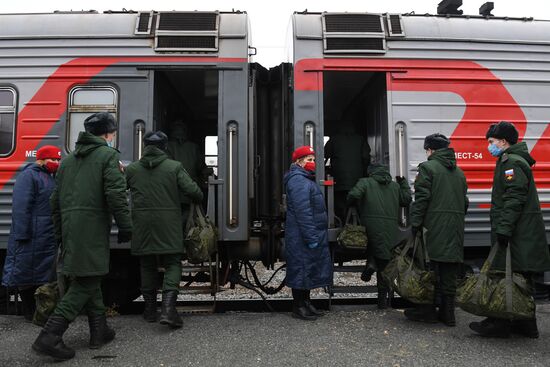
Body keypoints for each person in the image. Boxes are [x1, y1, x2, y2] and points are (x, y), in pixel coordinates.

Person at [32, 113, 132, 361]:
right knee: (86, 282)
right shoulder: (108, 156)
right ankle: (50, 336)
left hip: (71, 229)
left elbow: (54, 201)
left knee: (91, 275)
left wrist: (60, 234)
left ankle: (100, 331)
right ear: (107, 134)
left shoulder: (66, 161)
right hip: (92, 228)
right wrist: (125, 226)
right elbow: (116, 195)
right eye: (113, 133)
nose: (113, 137)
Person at [469, 121, 550, 338]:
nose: (489, 146)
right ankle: (525, 324)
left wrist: (504, 229)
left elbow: (514, 199)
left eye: (492, 141)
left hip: (517, 233)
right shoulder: (511, 160)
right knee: (519, 278)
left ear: (503, 142)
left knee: (505, 275)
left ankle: (499, 323)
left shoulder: (511, 162)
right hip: (521, 231)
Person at [126, 131, 203, 328]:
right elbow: (194, 192)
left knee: (147, 265)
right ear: (164, 147)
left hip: (141, 224)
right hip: (169, 223)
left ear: (145, 146)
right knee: (172, 263)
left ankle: (150, 310)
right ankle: (168, 309)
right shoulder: (174, 167)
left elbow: (119, 189)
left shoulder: (133, 169)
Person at [406, 133, 468, 327]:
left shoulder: (428, 168)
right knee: (449, 267)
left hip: (433, 225)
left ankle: (428, 311)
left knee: (429, 267)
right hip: (455, 225)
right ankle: (448, 313)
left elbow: (422, 199)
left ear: (430, 150)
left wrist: (415, 223)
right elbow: (464, 201)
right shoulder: (459, 172)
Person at [2, 145, 61, 321]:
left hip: (45, 234)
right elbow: (21, 207)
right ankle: (30, 312)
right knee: (26, 274)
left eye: (58, 160)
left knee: (41, 275)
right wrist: (22, 234)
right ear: (42, 159)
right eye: (53, 159)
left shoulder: (49, 176)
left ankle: (39, 313)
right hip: (31, 234)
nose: (56, 163)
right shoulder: (29, 176)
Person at [346, 163, 412, 309]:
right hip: (390, 225)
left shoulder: (365, 182)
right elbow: (406, 199)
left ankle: (371, 264)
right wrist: (403, 183)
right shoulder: (395, 186)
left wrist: (353, 204)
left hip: (369, 223)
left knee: (372, 245)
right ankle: (382, 301)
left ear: (371, 173)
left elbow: (353, 195)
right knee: (385, 258)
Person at [284, 145, 333, 321]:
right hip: (301, 235)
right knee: (301, 269)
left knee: (307, 269)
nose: (312, 163)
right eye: (309, 160)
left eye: (313, 160)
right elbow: (303, 212)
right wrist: (311, 236)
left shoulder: (303, 179)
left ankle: (306, 303)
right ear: (299, 161)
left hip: (304, 234)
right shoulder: (298, 181)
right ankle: (298, 306)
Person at [324, 120, 371, 222]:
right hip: (357, 182)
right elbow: (366, 157)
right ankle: (358, 229)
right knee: (358, 206)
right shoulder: (360, 139)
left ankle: (342, 226)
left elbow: (324, 154)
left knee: (340, 207)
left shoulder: (334, 139)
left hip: (339, 181)